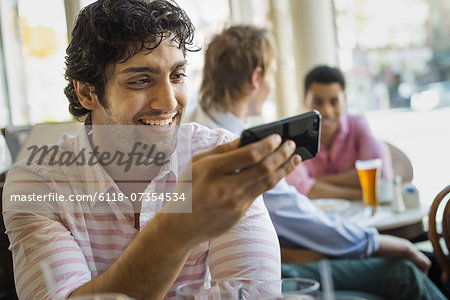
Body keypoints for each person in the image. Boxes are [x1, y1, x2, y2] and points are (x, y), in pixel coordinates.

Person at [2, 1, 301, 299]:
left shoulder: (219, 156)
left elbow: (254, 293)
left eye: (177, 76)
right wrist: (179, 227)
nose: (169, 103)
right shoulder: (35, 183)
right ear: (87, 92)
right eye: (141, 80)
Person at [183, 25, 445, 299]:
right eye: (271, 74)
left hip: (256, 271)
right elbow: (298, 214)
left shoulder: (195, 126)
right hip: (274, 276)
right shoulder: (234, 145)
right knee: (405, 272)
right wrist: (380, 243)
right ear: (256, 78)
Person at [285, 65, 393, 200]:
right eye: (318, 102)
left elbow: (380, 176)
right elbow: (299, 189)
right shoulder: (293, 139)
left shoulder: (358, 125)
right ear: (304, 100)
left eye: (334, 102)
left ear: (345, 100)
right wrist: (362, 193)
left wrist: (319, 181)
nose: (326, 111)